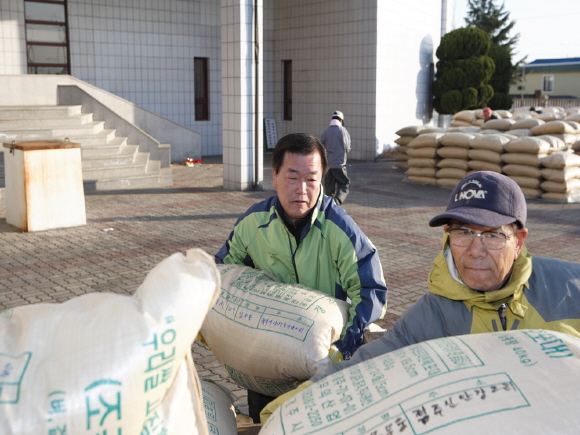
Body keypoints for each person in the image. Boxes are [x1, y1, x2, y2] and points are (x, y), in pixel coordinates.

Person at [261, 170, 580, 423]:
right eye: (463, 232)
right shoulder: (432, 317)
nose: (474, 250)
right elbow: (361, 369)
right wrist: (284, 412)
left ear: (519, 241)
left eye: (492, 235)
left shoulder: (568, 286)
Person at [215, 132, 388, 423]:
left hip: (320, 368)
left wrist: (343, 350)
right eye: (293, 177)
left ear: (323, 179)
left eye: (311, 179)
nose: (302, 190)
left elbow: (370, 290)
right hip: (266, 366)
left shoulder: (339, 228)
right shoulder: (253, 223)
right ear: (275, 177)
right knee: (265, 425)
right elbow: (224, 276)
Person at [321, 110, 351, 205]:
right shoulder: (343, 131)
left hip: (328, 166)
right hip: (340, 165)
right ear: (341, 120)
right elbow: (347, 148)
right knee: (343, 185)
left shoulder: (326, 132)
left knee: (329, 188)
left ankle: (328, 207)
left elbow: (321, 147)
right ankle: (337, 201)